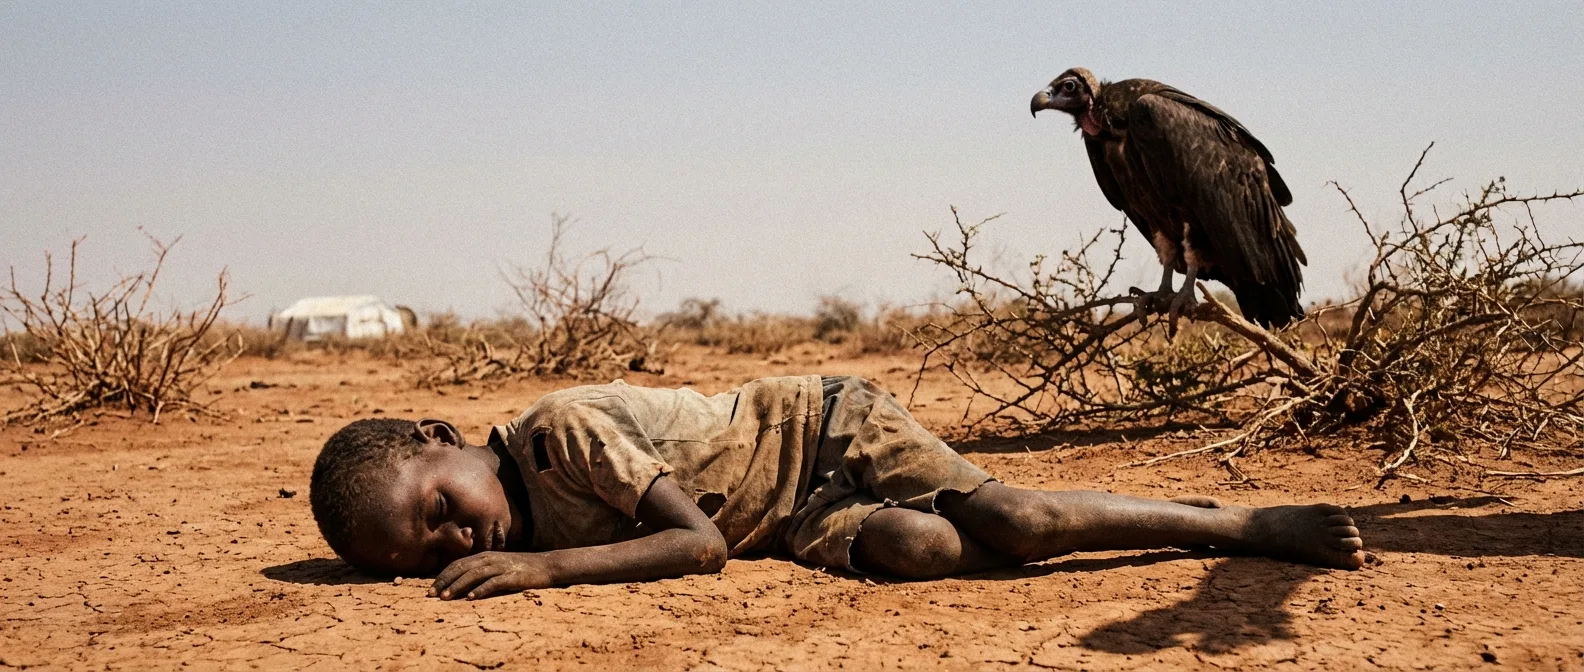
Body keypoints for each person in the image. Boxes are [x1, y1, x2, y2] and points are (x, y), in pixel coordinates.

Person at [310, 375, 1365, 600]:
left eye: (438, 509)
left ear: (438, 436)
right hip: (798, 514)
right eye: (429, 552)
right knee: (922, 552)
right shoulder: (516, 501)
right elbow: (740, 536)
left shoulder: (557, 433)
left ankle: (1237, 523)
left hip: (825, 429)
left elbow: (698, 545)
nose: (456, 541)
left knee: (1017, 520)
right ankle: (1003, 526)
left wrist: (546, 568)